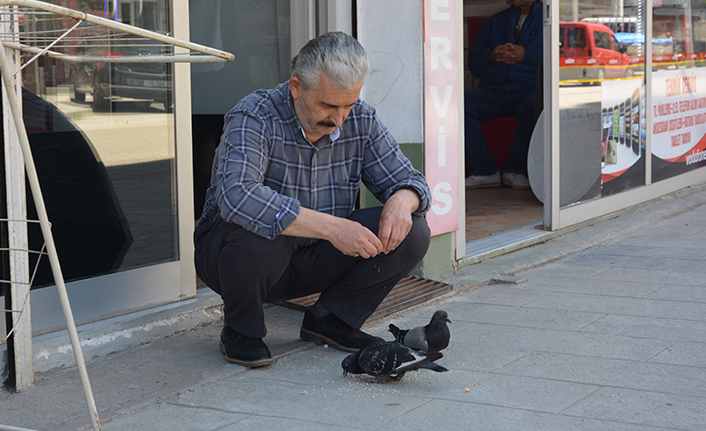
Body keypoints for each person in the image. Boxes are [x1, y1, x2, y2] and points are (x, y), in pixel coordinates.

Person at [194, 32, 432, 368]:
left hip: (314, 258)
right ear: (295, 87)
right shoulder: (254, 114)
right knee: (259, 230)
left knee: (414, 230)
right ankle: (241, 330)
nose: (339, 119)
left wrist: (403, 199)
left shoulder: (361, 118)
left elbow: (411, 181)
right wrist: (333, 228)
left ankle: (331, 320)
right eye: (328, 105)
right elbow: (237, 196)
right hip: (239, 261)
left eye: (348, 105)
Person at [464, 0, 543, 190]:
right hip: (492, 91)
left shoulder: (548, 19)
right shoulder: (496, 21)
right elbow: (474, 64)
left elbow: (562, 58)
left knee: (536, 104)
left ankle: (514, 170)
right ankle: (485, 171)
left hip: (528, 89)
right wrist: (491, 55)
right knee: (459, 104)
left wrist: (526, 55)